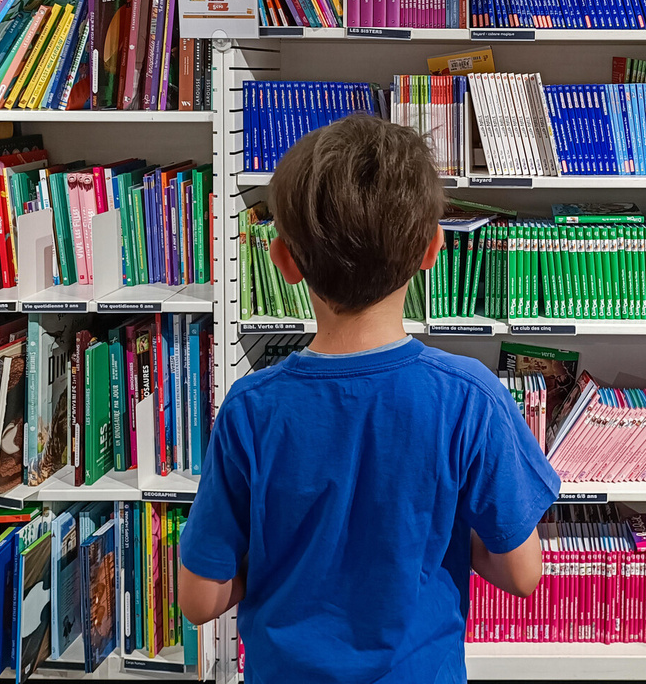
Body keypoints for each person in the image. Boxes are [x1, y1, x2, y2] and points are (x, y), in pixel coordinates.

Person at [178, 114, 561, 683]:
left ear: (283, 261)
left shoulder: (250, 407)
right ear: (433, 248)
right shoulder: (469, 396)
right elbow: (521, 573)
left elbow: (200, 601)